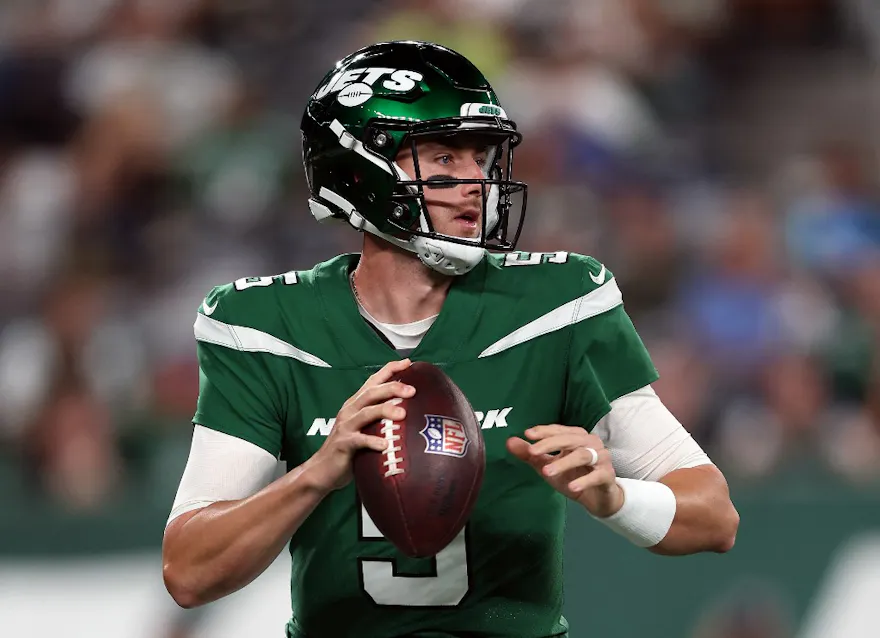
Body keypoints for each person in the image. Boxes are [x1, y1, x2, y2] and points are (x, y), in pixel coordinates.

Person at [162, 40, 739, 638]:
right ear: (358, 170)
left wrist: (617, 498)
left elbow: (713, 516)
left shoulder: (556, 305)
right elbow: (189, 572)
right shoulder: (268, 326)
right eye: (443, 159)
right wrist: (316, 473)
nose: (474, 184)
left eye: (481, 160)